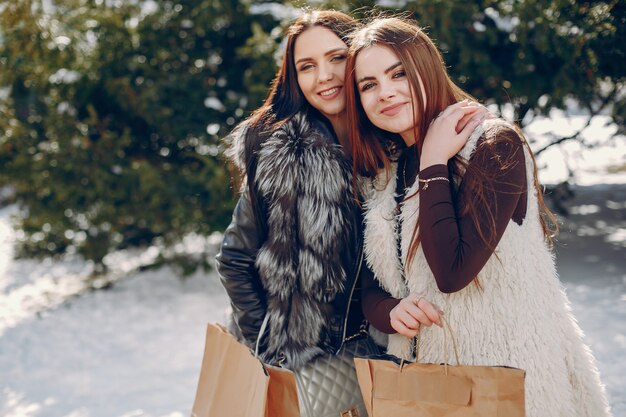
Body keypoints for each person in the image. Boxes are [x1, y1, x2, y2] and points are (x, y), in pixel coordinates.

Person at [345, 17, 612, 417]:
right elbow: (370, 287)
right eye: (369, 85)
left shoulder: (493, 145)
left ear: (427, 68)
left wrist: (433, 160)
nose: (386, 92)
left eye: (398, 73)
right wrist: (390, 310)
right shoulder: (383, 175)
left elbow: (452, 272)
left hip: (508, 377)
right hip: (422, 387)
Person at [216, 10, 372, 372]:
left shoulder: (393, 141)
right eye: (307, 66)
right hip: (304, 360)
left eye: (337, 58)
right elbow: (235, 261)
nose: (324, 76)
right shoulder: (285, 153)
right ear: (295, 78)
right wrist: (272, 351)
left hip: (381, 349)